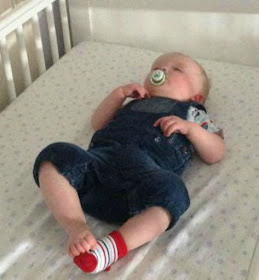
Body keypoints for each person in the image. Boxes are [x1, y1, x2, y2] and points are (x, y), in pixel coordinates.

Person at [33, 52, 225, 274]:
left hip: (142, 183)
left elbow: (216, 152)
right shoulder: (133, 102)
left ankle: (111, 248)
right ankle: (76, 225)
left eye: (176, 69)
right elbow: (97, 123)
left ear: (196, 97)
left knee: (174, 193)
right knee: (55, 154)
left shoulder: (193, 113)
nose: (161, 71)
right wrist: (118, 95)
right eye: (157, 67)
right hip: (96, 167)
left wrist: (190, 129)